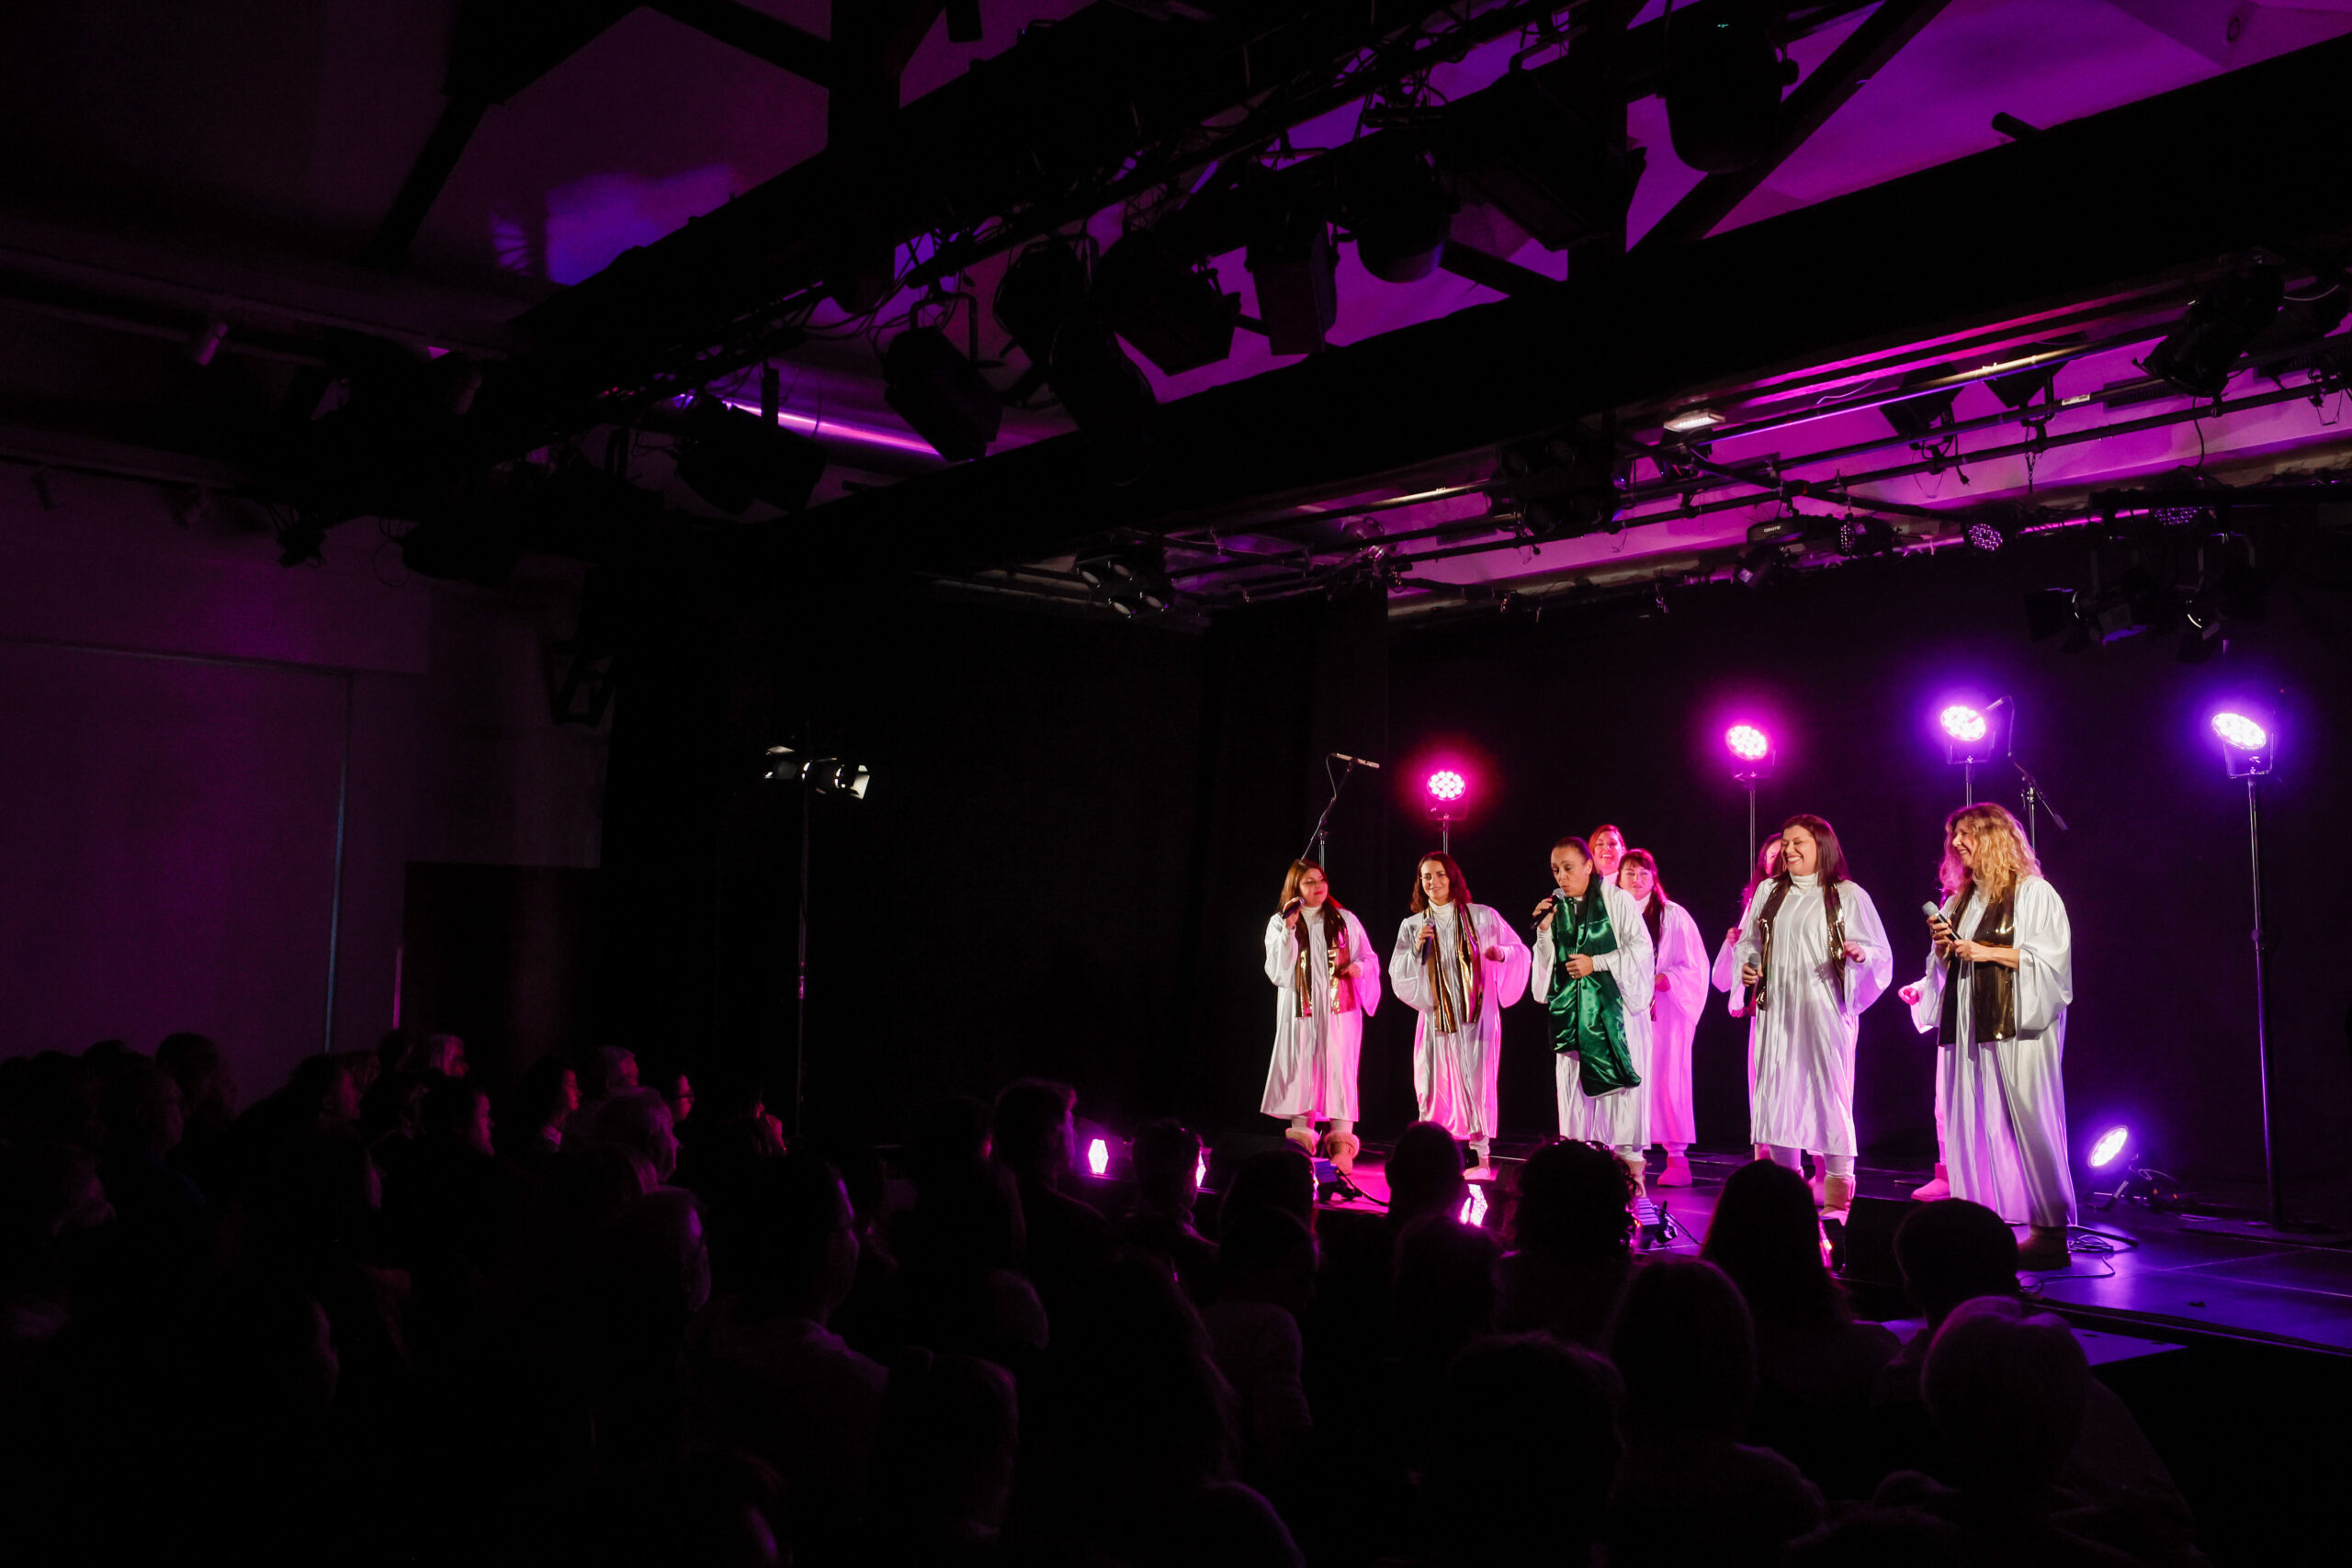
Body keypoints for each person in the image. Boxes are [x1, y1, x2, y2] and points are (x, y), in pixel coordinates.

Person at [1900, 803, 2078, 1269]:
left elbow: (2050, 962)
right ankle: (1982, 1224)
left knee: (2027, 1121)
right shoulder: (1958, 901)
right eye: (1954, 835)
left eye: (1967, 833)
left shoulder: (2033, 893)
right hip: (1968, 1027)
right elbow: (1946, 969)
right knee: (1974, 1123)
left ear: (1996, 838)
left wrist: (1987, 951)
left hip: (2017, 1027)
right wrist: (1940, 958)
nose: (1957, 842)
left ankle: (2049, 1233)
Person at [1736, 815, 1893, 1214]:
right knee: (1779, 1094)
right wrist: (1750, 966)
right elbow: (1749, 942)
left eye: (1798, 842)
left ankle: (1838, 1200)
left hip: (1824, 1011)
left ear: (1822, 846)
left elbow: (1880, 952)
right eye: (1786, 843)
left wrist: (1861, 955)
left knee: (1828, 1093)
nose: (1789, 850)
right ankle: (1786, 1196)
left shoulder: (1848, 895)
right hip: (1777, 1010)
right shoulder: (1769, 891)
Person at [1389, 851, 1529, 1177]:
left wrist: (1502, 954)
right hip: (1436, 1020)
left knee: (1477, 1083)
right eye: (1426, 877)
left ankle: (1481, 1158)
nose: (1433, 882)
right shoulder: (1413, 925)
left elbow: (1520, 951)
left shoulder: (1483, 917)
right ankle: (1433, 1156)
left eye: (1439, 874)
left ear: (1451, 877)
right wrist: (1416, 949)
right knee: (1433, 1083)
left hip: (1476, 1019)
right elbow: (1398, 973)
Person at [1530, 836, 1656, 1184]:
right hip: (1573, 1018)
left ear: (1589, 866)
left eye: (1568, 868)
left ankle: (1632, 1184)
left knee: (1621, 1102)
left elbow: (1640, 950)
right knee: (1576, 1099)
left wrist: (1596, 962)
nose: (1561, 876)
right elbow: (1547, 970)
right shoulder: (1557, 906)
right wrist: (1544, 931)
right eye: (1556, 870)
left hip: (1614, 1016)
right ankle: (1580, 1179)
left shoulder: (1617, 900)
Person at [1261, 858, 1382, 1174]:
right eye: (1310, 882)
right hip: (1299, 1014)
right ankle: (1302, 1142)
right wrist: (1289, 927)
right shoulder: (1281, 922)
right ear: (1296, 888)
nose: (1318, 887)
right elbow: (1277, 971)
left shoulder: (1345, 919)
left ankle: (1342, 1146)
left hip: (1340, 1014)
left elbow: (1368, 957)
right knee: (1302, 1070)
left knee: (1339, 1071)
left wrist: (1359, 967)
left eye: (1321, 880)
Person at [1623, 848, 1709, 1187]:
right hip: (1624, 1014)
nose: (1636, 879)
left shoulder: (1673, 916)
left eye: (1643, 873)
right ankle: (1627, 1158)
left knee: (1668, 1079)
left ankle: (1677, 1158)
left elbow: (1695, 966)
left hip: (1666, 1013)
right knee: (1627, 1082)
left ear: (1653, 877)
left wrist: (1666, 978)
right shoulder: (1611, 915)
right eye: (1630, 873)